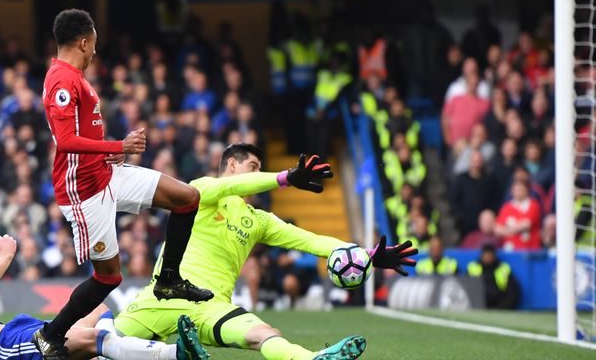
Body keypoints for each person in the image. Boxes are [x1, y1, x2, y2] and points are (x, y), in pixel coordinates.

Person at [112, 144, 417, 360]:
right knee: (93, 345)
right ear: (232, 165)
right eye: (253, 167)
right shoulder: (202, 190)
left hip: (211, 305)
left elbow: (308, 240)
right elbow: (234, 186)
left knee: (262, 333)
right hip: (160, 296)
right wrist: (283, 177)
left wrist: (365, 255)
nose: (257, 176)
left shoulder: (258, 220)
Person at [35, 9, 214, 357]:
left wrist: (109, 153)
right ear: (84, 42)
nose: (95, 52)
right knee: (109, 277)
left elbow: (83, 135)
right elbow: (65, 140)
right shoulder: (62, 80)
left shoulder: (72, 76)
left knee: (187, 198)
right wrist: (118, 146)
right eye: (94, 45)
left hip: (106, 171)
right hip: (84, 191)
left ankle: (168, 280)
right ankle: (51, 335)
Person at [0, 236, 210, 360]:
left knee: (98, 311)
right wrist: (6, 253)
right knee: (90, 339)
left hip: (10, 335)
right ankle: (175, 354)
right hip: (3, 348)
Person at [467, 243, 520, 309]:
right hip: (478, 305)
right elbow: (466, 288)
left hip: (499, 304)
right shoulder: (473, 267)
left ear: (494, 256)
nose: (488, 257)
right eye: (486, 255)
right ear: (481, 255)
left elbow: (513, 291)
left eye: (490, 255)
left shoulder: (503, 268)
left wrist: (501, 307)